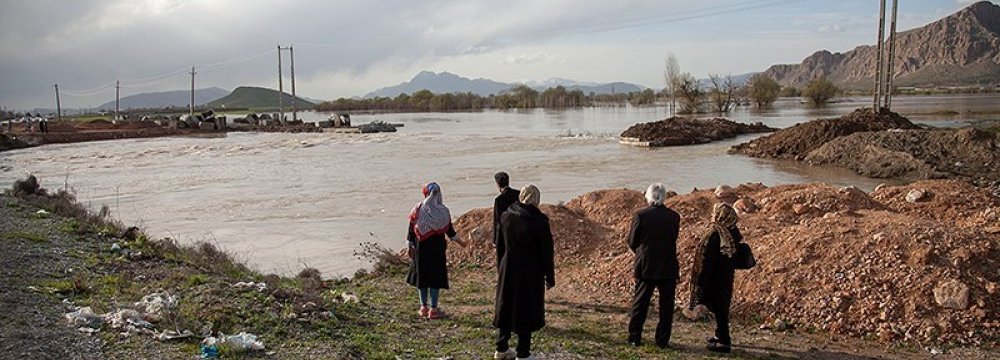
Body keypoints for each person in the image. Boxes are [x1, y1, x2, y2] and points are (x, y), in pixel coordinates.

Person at [493, 184, 554, 360]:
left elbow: (500, 245)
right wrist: (549, 276)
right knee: (525, 309)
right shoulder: (540, 222)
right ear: (536, 200)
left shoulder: (506, 216)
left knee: (506, 305)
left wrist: (500, 268)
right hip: (530, 271)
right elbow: (546, 252)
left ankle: (501, 347)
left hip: (508, 267)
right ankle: (523, 352)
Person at [626, 183, 682, 349]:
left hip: (646, 264)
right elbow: (674, 237)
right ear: (664, 197)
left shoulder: (640, 215)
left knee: (641, 302)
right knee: (666, 305)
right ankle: (662, 340)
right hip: (668, 265)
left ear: (648, 196)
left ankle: (634, 337)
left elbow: (632, 241)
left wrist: (640, 252)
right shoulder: (674, 216)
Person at [406, 182, 467, 320]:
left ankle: (423, 307)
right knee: (435, 278)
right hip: (436, 249)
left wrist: (409, 245)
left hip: (420, 248)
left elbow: (411, 231)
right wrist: (462, 243)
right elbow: (451, 233)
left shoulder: (417, 209)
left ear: (425, 194)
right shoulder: (443, 211)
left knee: (422, 277)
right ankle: (433, 309)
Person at [687, 203, 742, 353]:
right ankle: (720, 335)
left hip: (714, 278)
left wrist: (701, 280)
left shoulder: (715, 235)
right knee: (721, 307)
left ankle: (724, 342)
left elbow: (708, 260)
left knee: (719, 309)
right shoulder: (732, 232)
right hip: (726, 276)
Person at [493, 172, 520, 269]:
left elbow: (497, 221)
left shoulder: (499, 200)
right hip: (518, 229)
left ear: (497, 184)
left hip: (505, 232)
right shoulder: (518, 194)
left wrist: (495, 239)